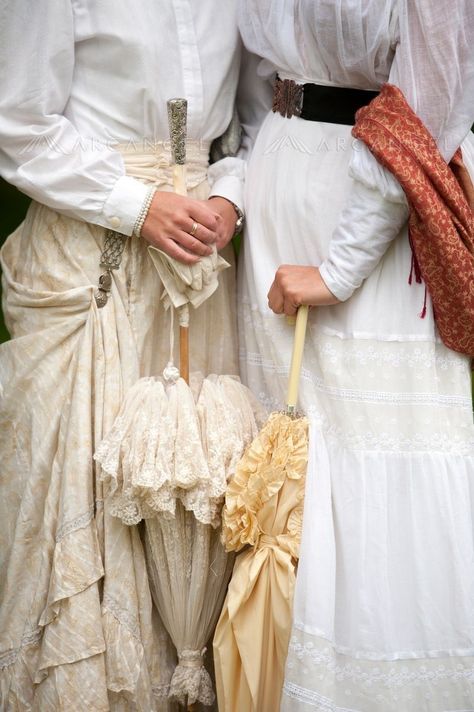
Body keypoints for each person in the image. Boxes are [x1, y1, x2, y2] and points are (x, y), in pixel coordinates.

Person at [0, 2, 260, 709]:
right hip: (94, 264)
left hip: (198, 271)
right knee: (88, 495)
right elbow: (16, 121)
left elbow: (260, 117)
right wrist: (133, 204)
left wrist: (229, 199)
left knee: (189, 501)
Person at [237, 1, 474, 709]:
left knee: (370, 453)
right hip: (277, 196)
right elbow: (253, 76)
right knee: (282, 464)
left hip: (374, 204)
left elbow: (433, 87)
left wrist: (342, 266)